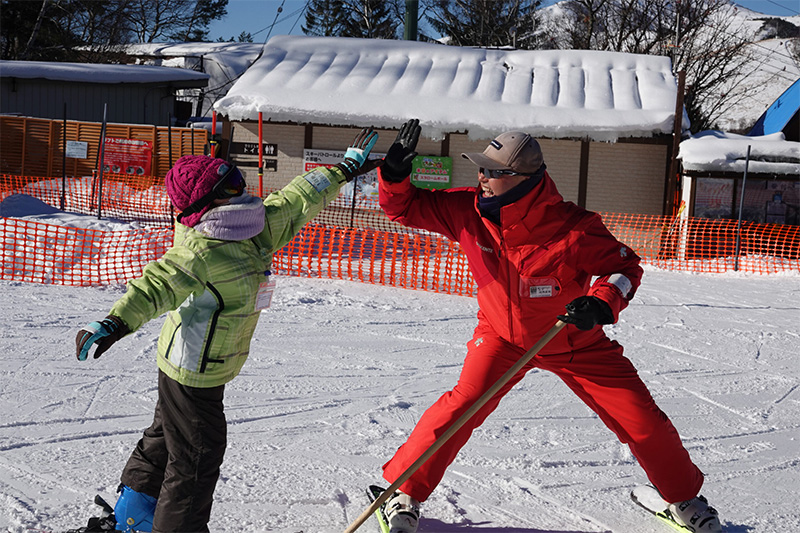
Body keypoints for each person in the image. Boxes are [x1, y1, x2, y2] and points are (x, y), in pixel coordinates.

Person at [374, 119, 722, 533]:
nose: (482, 177)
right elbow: (405, 207)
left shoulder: (572, 228)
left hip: (573, 340)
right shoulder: (466, 211)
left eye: (494, 171)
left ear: (525, 178)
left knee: (643, 422)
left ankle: (683, 499)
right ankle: (403, 494)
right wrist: (395, 177)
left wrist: (601, 302)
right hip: (503, 339)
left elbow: (624, 267)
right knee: (458, 410)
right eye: (482, 168)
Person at [71, 128, 380, 533]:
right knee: (196, 460)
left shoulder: (251, 225)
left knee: (167, 436)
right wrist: (115, 320)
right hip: (193, 372)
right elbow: (156, 285)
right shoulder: (200, 249)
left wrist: (344, 169)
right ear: (208, 201)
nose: (243, 187)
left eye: (238, 178)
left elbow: (295, 200)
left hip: (199, 364)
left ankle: (134, 510)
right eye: (232, 184)